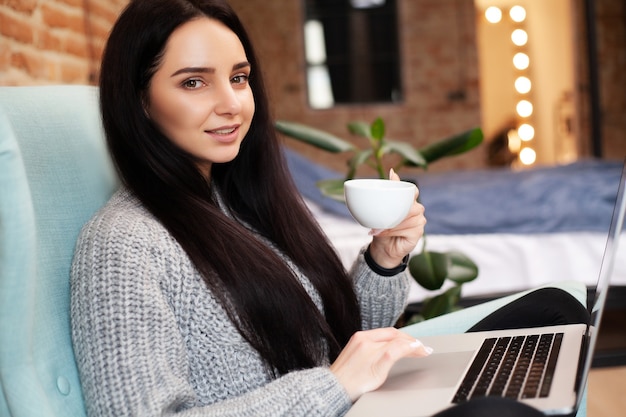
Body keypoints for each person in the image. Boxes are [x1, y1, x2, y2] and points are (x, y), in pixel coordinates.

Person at [70, 0, 588, 416]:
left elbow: (334, 336)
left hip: (353, 402)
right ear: (138, 101)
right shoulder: (122, 245)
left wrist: (385, 258)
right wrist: (334, 385)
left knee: (555, 313)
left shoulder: (240, 201)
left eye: (239, 77)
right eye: (193, 82)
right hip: (333, 404)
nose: (231, 103)